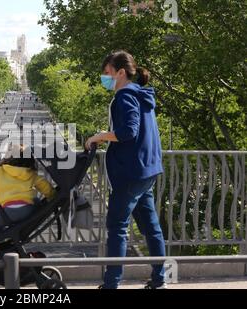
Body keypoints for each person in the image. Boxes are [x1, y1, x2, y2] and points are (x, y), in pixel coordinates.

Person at [85, 50, 166, 289]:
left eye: (107, 73)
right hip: (147, 170)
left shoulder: (124, 96)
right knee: (151, 228)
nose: (105, 78)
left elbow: (129, 131)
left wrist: (99, 136)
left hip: (130, 173)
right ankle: (160, 279)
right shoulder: (142, 95)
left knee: (117, 228)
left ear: (121, 72)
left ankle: (111, 283)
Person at [0, 144, 55, 260]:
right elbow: (44, 186)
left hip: (9, 211)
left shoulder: (0, 171)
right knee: (35, 200)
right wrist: (52, 195)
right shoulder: (30, 172)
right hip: (28, 210)